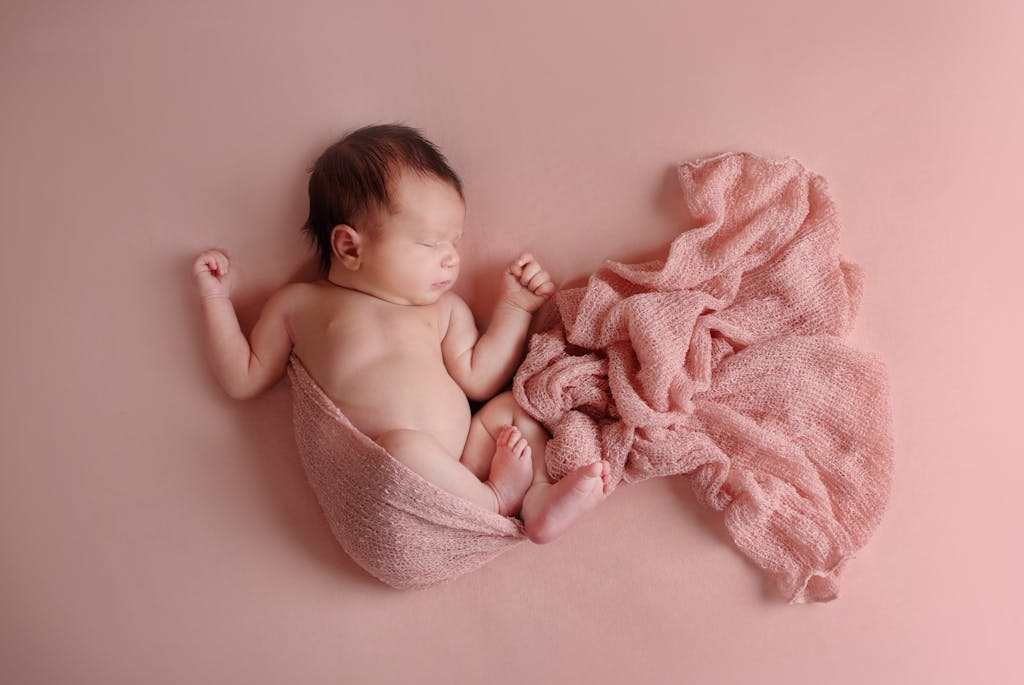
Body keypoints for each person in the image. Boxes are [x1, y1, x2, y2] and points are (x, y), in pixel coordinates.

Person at [193, 123, 610, 543]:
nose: (450, 259)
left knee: (512, 409)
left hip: (465, 460)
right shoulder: (300, 305)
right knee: (403, 447)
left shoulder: (443, 310)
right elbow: (242, 377)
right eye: (431, 244)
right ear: (350, 248)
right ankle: (496, 501)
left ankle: (538, 499)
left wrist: (515, 309)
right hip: (392, 475)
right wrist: (216, 301)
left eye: (455, 243)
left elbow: (480, 377)